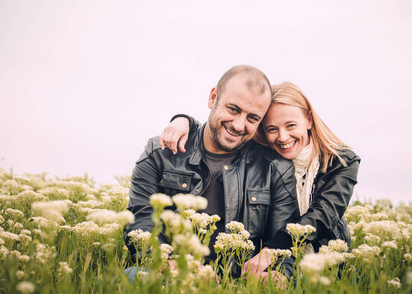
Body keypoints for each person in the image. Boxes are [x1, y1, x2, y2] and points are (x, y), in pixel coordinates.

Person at [161, 81, 361, 278]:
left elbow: (324, 214)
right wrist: (184, 120)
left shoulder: (342, 161)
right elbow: (221, 127)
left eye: (291, 125)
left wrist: (272, 250)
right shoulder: (266, 159)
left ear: (309, 120)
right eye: (272, 129)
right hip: (272, 265)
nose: (283, 137)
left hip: (322, 260)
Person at [124, 65, 300, 282]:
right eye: (233, 109)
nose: (238, 125)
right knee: (134, 276)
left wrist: (279, 275)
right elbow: (141, 220)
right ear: (213, 97)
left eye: (252, 118)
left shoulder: (276, 167)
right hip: (176, 279)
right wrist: (165, 262)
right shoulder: (160, 152)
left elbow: (282, 241)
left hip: (240, 283)